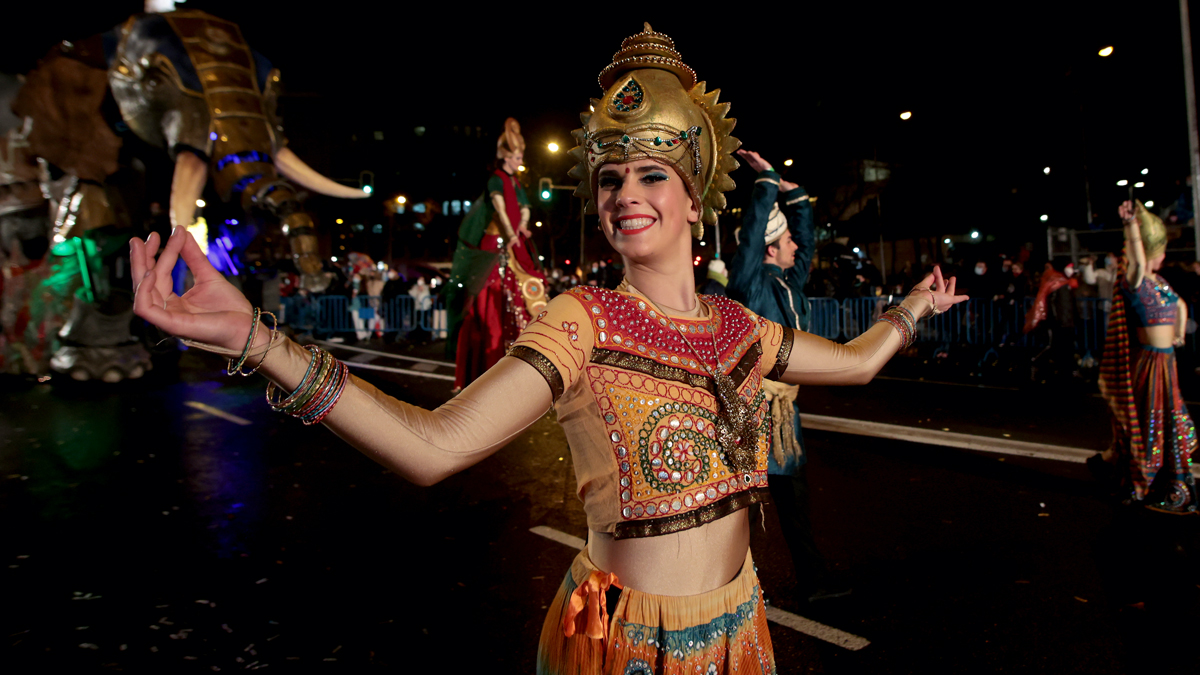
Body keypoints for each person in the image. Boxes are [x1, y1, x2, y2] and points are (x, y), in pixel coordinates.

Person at [127, 24, 967, 673]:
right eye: (609, 178)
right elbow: (433, 446)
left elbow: (854, 363)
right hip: (620, 640)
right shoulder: (583, 318)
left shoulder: (741, 328)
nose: (625, 195)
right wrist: (254, 337)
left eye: (650, 175)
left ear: (695, 196)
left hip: (740, 627)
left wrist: (915, 305)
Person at [725, 149, 840, 603]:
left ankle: (814, 581)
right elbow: (752, 237)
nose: (797, 246)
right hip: (750, 412)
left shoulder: (790, 284)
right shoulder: (750, 283)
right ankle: (730, 594)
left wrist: (799, 200)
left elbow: (807, 243)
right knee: (744, 515)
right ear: (771, 248)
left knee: (795, 507)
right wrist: (767, 182)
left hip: (783, 416)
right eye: (788, 240)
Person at [1095, 200, 1198, 514]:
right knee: (1149, 425)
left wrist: (1179, 331)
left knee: (1172, 424)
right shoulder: (1134, 282)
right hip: (1150, 364)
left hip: (1167, 363)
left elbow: (1179, 305)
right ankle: (1140, 484)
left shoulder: (1162, 284)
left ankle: (1174, 488)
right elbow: (1138, 264)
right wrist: (1131, 227)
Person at [445, 118, 547, 391]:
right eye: (516, 156)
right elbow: (500, 209)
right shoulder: (496, 180)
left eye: (521, 156)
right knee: (487, 298)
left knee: (523, 292)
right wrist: (512, 234)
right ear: (505, 157)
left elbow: (524, 208)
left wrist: (522, 226)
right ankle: (487, 363)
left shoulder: (515, 183)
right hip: (496, 244)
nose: (519, 160)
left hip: (512, 243)